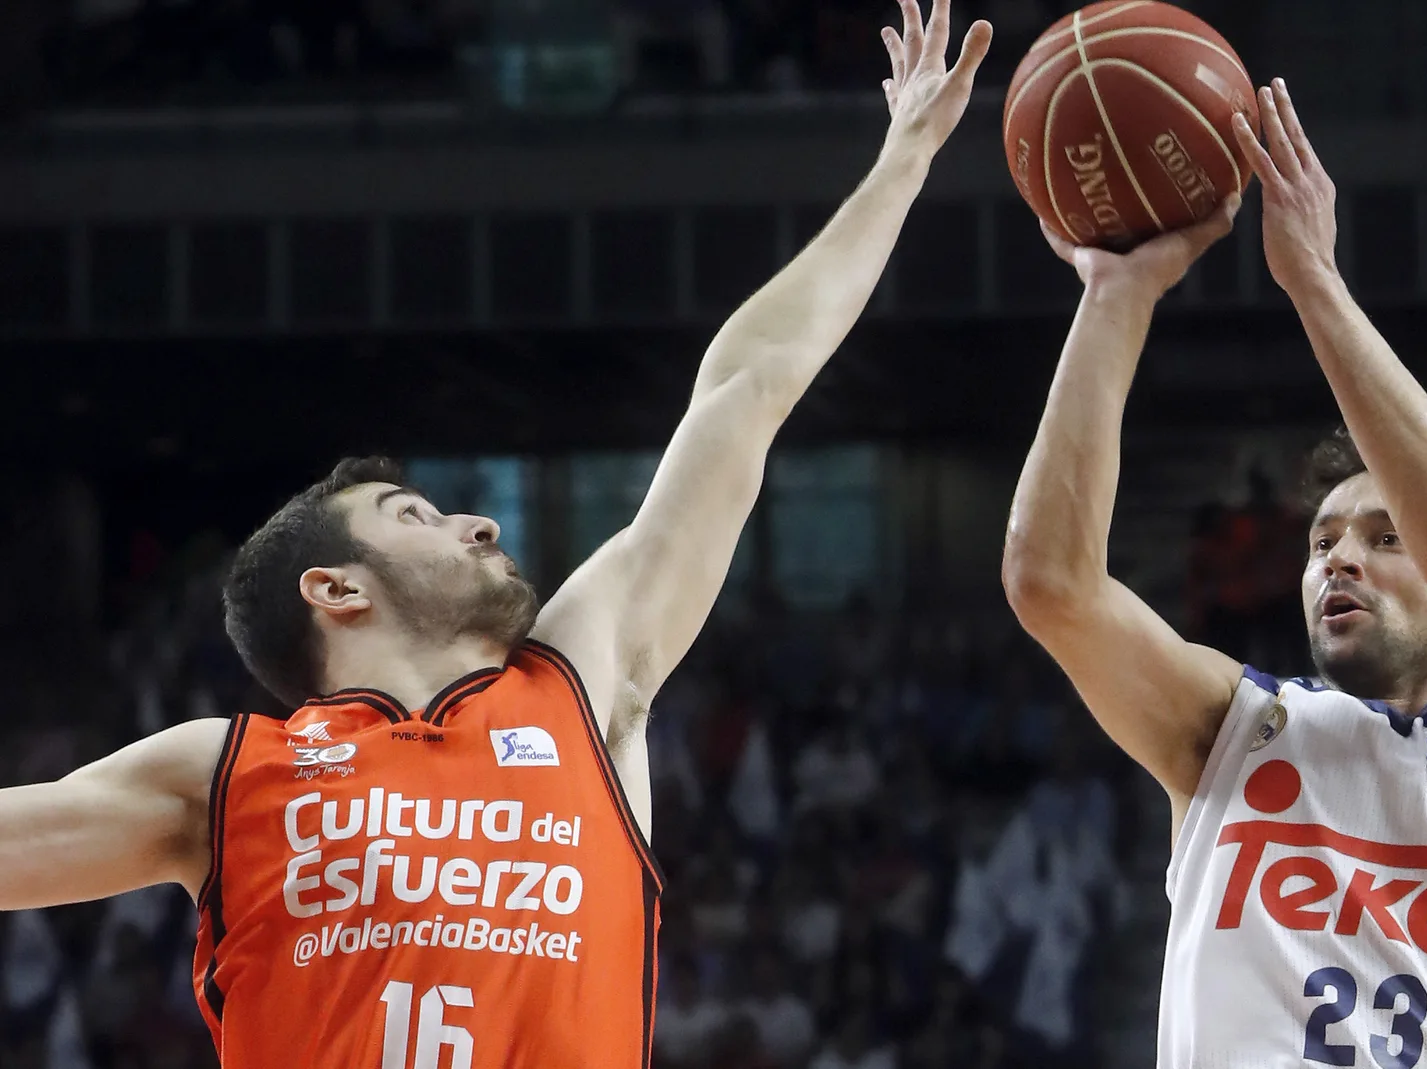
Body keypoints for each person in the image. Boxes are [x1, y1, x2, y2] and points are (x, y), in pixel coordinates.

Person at [0, 3, 991, 1066]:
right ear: (336, 590)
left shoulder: (581, 680)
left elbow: (742, 393)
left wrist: (900, 169)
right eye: (414, 516)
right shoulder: (228, 773)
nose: (477, 521)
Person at [1002, 79, 1427, 1067]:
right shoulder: (1226, 729)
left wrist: (1313, 282)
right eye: (1323, 540)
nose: (1338, 556)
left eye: (1381, 536)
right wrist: (1115, 296)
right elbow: (1049, 583)